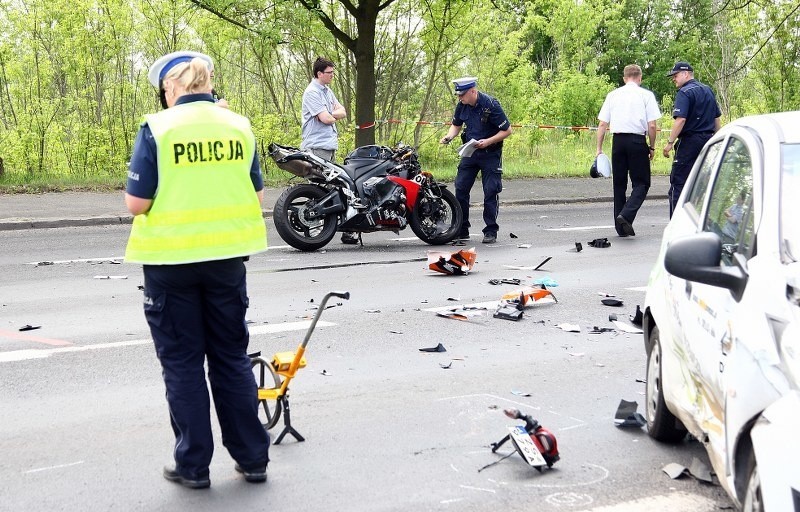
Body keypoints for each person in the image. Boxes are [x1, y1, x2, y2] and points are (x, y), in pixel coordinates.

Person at [124, 51, 270, 489]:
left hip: (170, 264)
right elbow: (256, 196)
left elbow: (137, 203)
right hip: (227, 261)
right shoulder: (239, 127)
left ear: (171, 90)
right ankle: (253, 458)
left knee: (183, 364)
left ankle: (193, 466)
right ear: (209, 84)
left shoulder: (158, 128)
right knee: (230, 357)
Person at [440, 77, 512, 244]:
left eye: (462, 95)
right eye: (458, 95)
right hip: (471, 152)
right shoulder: (462, 105)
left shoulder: (491, 105)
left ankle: (490, 231)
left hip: (490, 153)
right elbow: (456, 124)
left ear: (473, 91)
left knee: (491, 191)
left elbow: (507, 130)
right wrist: (449, 136)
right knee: (461, 188)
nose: (460, 98)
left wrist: (487, 142)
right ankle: (461, 229)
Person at [596, 64, 661, 237]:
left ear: (624, 78)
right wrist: (652, 146)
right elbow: (652, 125)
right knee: (642, 183)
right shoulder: (646, 95)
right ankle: (626, 215)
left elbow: (602, 124)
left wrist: (599, 149)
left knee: (619, 184)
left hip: (618, 141)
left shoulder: (613, 95)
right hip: (637, 141)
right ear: (640, 78)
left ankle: (621, 229)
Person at [300, 57, 354, 243]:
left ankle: (344, 229)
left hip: (328, 145)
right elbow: (326, 119)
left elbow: (342, 111)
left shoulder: (327, 91)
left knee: (334, 187)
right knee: (319, 188)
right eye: (329, 73)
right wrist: (333, 114)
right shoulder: (312, 93)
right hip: (316, 146)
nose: (332, 75)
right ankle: (314, 228)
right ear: (319, 73)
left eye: (332, 72)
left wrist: (333, 113)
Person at [662, 61, 722, 217]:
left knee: (679, 183)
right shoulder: (708, 90)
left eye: (675, 75)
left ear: (685, 74)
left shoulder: (685, 92)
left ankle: (676, 223)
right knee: (701, 183)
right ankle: (698, 221)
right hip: (708, 142)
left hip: (689, 142)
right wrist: (718, 139)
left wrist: (669, 143)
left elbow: (680, 120)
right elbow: (716, 118)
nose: (673, 79)